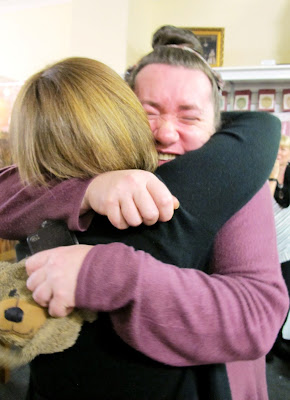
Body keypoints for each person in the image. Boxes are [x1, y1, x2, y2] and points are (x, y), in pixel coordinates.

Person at [0, 26, 287, 400]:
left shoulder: (237, 183)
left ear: (217, 128)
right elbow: (10, 186)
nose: (166, 133)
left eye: (189, 117)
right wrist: (87, 191)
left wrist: (112, 274)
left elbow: (255, 318)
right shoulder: (99, 161)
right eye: (147, 112)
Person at [268, 134, 290, 361]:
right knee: (270, 296)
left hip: (288, 251)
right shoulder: (264, 171)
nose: (281, 152)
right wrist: (274, 173)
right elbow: (267, 199)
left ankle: (276, 340)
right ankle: (265, 340)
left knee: (287, 298)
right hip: (268, 246)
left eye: (285, 149)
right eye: (278, 148)